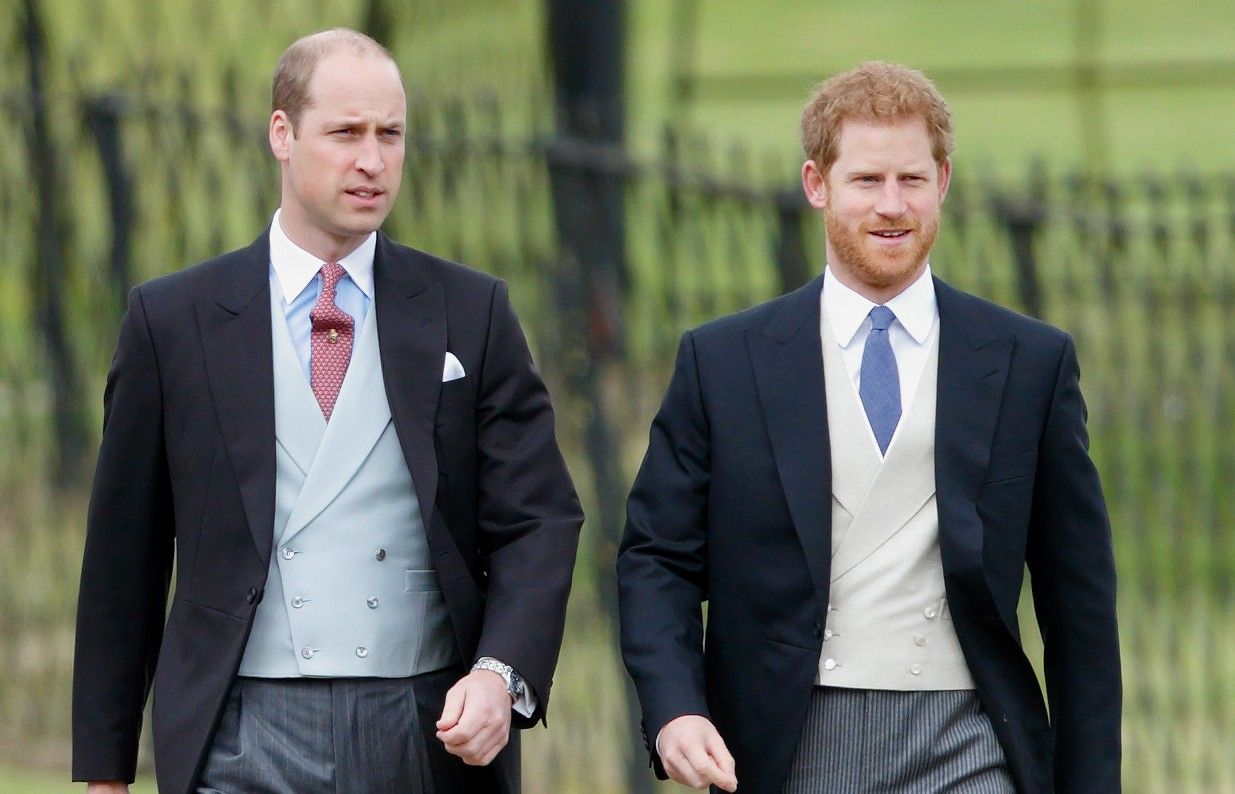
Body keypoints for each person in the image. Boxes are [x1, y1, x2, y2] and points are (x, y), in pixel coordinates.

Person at [71, 28, 582, 794]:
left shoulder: (470, 311)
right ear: (282, 133)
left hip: (424, 725)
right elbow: (124, 554)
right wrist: (107, 771)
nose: (372, 161)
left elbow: (539, 519)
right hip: (238, 728)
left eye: (391, 134)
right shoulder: (173, 320)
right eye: (345, 133)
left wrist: (498, 672)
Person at [617, 62, 1120, 793]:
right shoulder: (723, 361)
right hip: (790, 741)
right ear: (816, 184)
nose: (891, 206)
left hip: (970, 736)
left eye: (911, 180)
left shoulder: (1029, 361)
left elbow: (1079, 602)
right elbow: (655, 557)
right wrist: (673, 711)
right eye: (865, 181)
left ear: (943, 181)